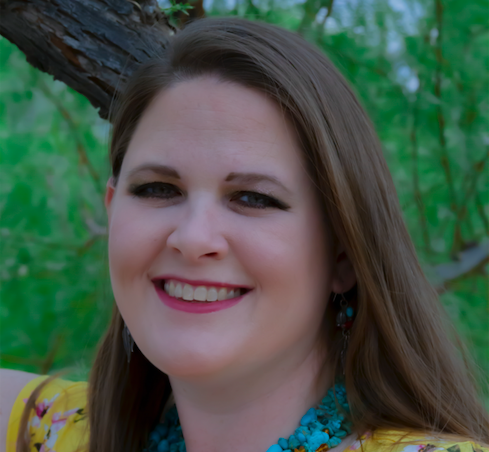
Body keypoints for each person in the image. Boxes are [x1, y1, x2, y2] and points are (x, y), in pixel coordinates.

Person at [2, 17, 488, 452]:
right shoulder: (58, 432)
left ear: (343, 254)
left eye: (254, 198)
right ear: (113, 212)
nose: (192, 239)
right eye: (157, 188)